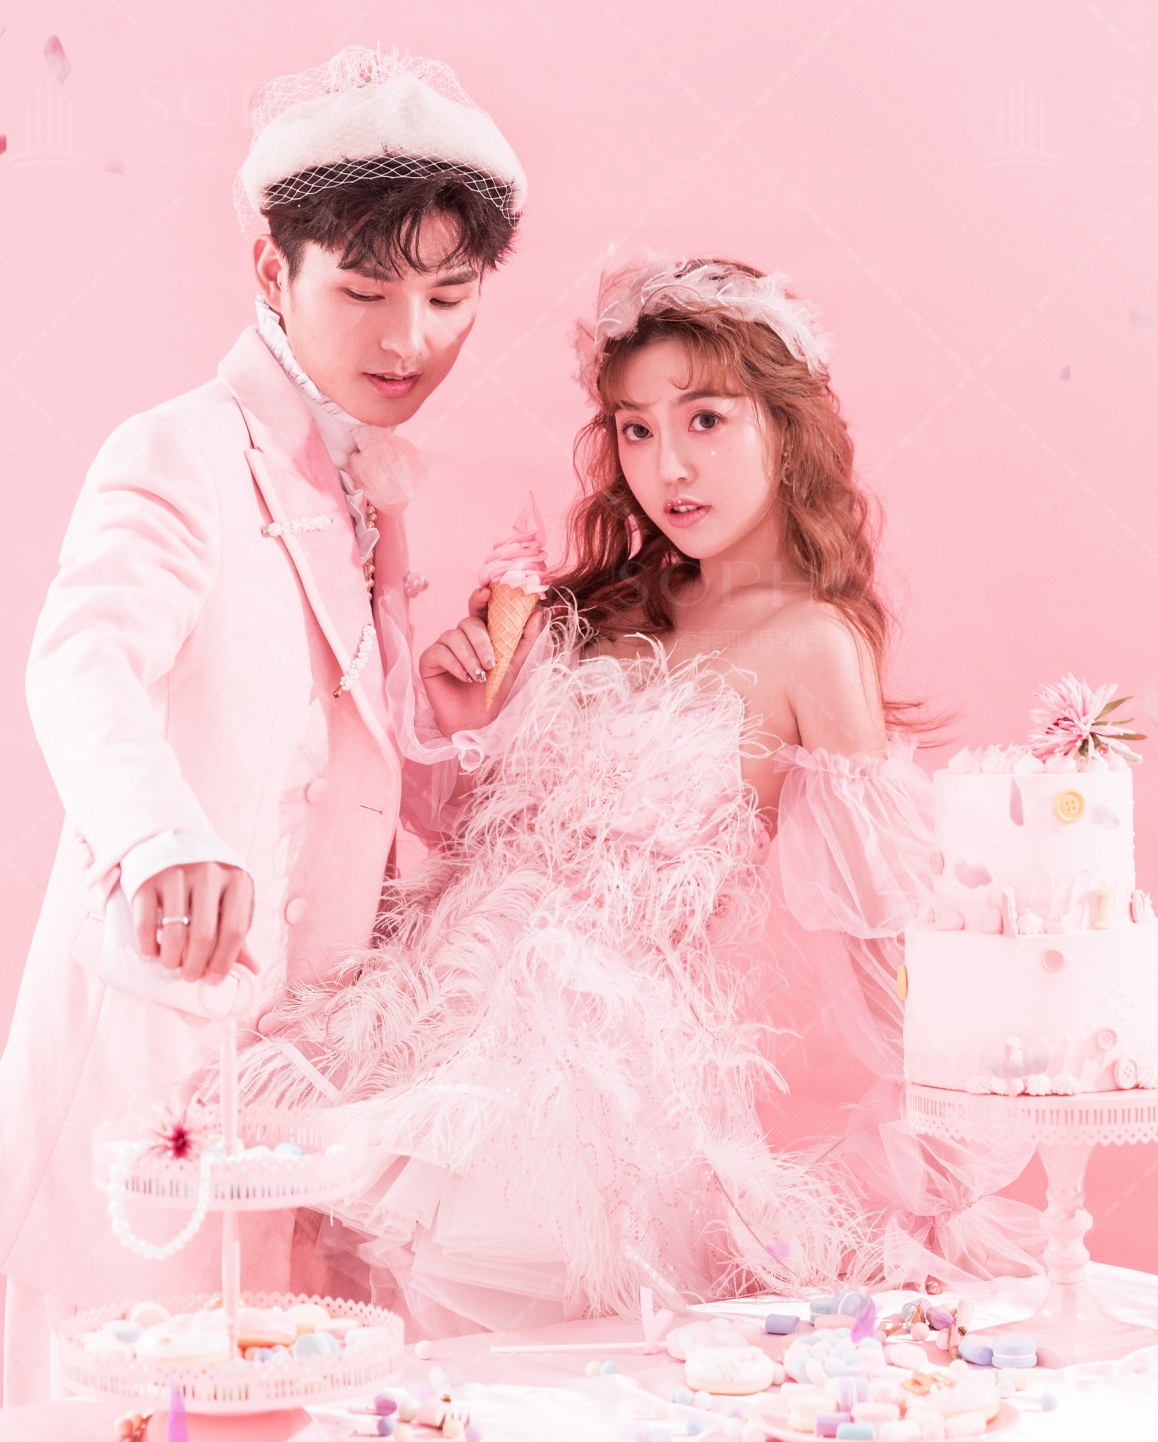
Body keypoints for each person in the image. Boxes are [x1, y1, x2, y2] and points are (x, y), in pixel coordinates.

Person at [238, 255, 1033, 1338]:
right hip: (420, 1026)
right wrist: (458, 719)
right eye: (636, 429)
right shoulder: (602, 609)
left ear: (787, 424)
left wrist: (950, 1135)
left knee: (521, 1380)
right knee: (376, 1372)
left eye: (706, 419)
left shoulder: (814, 645)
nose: (670, 467)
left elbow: (881, 928)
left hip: (586, 1090)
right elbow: (465, 837)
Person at [0, 46, 528, 1401]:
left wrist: (439, 726)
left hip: (299, 1097)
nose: (409, 340)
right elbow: (84, 659)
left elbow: (340, 779)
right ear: (272, 271)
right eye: (365, 291)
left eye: (449, 298)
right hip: (156, 1084)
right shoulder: (181, 450)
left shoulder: (370, 486)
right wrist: (160, 839)